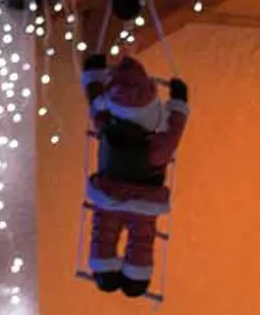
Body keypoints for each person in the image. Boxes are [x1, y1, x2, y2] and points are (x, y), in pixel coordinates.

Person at [81, 52, 189, 297]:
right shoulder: (157, 144)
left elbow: (95, 104)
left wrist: (93, 76)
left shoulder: (107, 127)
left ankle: (105, 271)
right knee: (141, 239)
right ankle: (136, 278)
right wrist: (179, 103)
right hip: (143, 202)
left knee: (104, 232)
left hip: (108, 195)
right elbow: (175, 129)